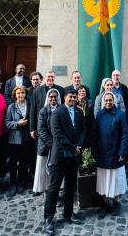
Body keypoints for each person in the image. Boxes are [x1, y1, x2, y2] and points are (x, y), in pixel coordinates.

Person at [43, 90, 85, 236]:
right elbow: (57, 135)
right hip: (61, 155)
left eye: (74, 96)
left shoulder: (79, 112)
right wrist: (73, 147)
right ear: (65, 98)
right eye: (70, 96)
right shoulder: (58, 113)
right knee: (54, 188)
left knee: (70, 185)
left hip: (73, 157)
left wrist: (79, 145)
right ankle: (48, 218)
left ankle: (68, 213)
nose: (72, 98)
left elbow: (83, 131)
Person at [92, 92, 128, 218]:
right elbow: (95, 134)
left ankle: (117, 202)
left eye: (110, 100)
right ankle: (105, 203)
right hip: (102, 153)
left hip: (115, 153)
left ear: (114, 100)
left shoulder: (120, 114)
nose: (108, 102)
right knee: (103, 179)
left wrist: (122, 152)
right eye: (106, 100)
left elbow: (124, 134)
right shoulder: (100, 114)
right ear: (103, 101)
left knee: (116, 179)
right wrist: (94, 150)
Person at [5, 86, 32, 197]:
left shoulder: (29, 105)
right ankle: (12, 183)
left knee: (23, 162)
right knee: (13, 163)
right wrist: (17, 124)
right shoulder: (11, 107)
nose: (21, 95)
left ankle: (21, 181)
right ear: (15, 95)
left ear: (25, 94)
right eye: (18, 93)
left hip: (26, 139)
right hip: (14, 140)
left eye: (23, 93)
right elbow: (7, 123)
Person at [33, 89, 60, 195]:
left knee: (55, 170)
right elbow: (41, 130)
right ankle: (44, 189)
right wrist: (52, 144)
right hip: (45, 145)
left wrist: (57, 143)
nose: (53, 99)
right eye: (51, 97)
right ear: (48, 98)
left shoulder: (61, 110)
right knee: (43, 170)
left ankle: (53, 190)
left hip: (57, 145)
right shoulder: (43, 111)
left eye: (55, 97)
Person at [29, 71, 65, 140]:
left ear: (54, 78)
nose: (50, 78)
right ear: (45, 78)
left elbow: (63, 108)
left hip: (57, 125)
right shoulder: (36, 91)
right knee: (41, 149)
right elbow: (33, 110)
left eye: (52, 77)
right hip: (41, 126)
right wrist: (32, 129)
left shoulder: (61, 90)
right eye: (48, 76)